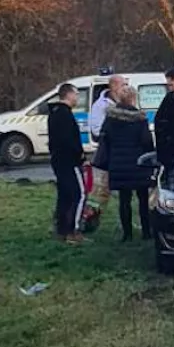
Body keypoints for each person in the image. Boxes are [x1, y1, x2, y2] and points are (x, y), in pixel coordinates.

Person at [95, 84, 155, 241]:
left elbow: (105, 139)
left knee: (124, 200)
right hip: (139, 163)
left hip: (118, 163)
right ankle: (146, 232)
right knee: (143, 199)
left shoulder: (110, 118)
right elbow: (146, 141)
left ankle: (127, 234)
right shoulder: (140, 119)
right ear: (134, 99)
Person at [48, 83, 87, 244]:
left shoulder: (54, 113)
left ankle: (61, 229)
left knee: (64, 195)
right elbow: (69, 139)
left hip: (58, 160)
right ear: (69, 94)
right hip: (70, 161)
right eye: (76, 94)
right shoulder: (65, 115)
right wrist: (80, 155)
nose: (77, 98)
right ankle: (73, 230)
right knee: (79, 194)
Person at [88, 75, 124, 208]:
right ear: (113, 86)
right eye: (123, 85)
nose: (125, 88)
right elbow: (96, 129)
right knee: (102, 189)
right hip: (108, 151)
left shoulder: (122, 102)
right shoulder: (100, 106)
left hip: (120, 151)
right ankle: (94, 212)